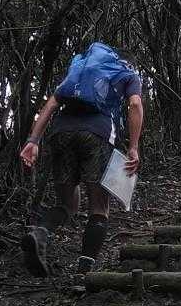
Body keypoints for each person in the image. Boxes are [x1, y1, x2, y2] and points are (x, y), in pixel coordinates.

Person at [20, 42, 143, 277]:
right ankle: (83, 273)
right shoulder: (127, 73)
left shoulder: (80, 71)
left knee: (68, 204)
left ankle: (40, 232)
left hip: (61, 133)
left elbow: (51, 104)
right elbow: (135, 104)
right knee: (100, 207)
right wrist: (133, 147)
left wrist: (33, 141)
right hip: (96, 135)